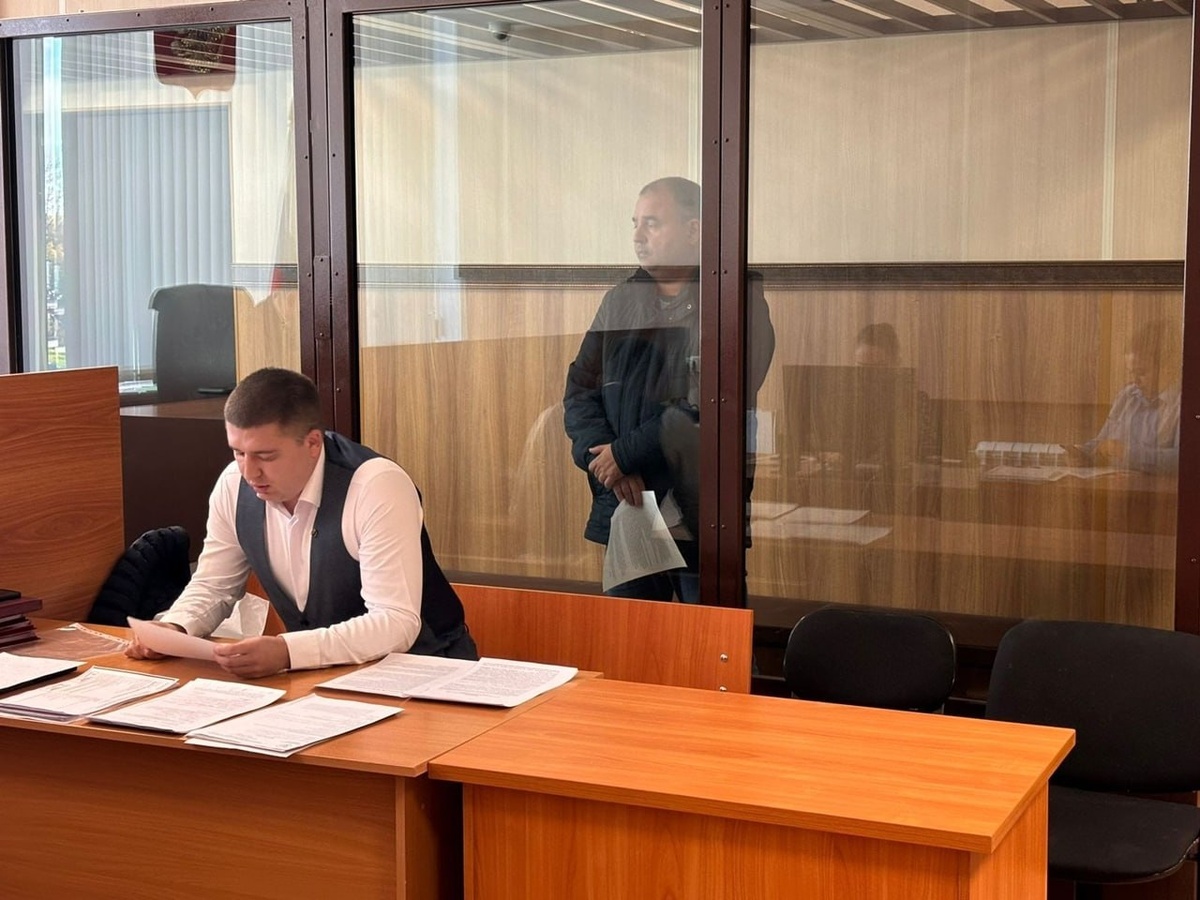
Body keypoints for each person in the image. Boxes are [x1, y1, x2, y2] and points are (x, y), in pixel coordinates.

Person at [126, 367, 476, 677]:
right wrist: (176, 627)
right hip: (320, 680)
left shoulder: (375, 485)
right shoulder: (233, 484)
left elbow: (395, 622)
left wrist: (288, 651)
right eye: (238, 452)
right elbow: (214, 585)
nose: (249, 472)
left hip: (427, 673)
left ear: (312, 443)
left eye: (266, 456)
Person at [563, 177, 775, 602]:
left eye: (653, 223)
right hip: (628, 503)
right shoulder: (620, 301)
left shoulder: (734, 302)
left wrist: (625, 455)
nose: (638, 237)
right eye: (635, 223)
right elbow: (579, 390)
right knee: (631, 636)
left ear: (695, 230)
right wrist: (605, 459)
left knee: (708, 638)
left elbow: (710, 404)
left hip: (700, 512)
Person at [1078, 319, 1181, 475]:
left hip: (1159, 489)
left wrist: (1126, 453)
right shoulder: (1126, 396)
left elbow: (1182, 459)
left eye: (1141, 373)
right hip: (1118, 485)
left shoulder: (1185, 404)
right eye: (1131, 372)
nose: (1135, 380)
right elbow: (1102, 441)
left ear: (1167, 368)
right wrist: (1083, 452)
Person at [854, 322, 940, 463]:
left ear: (896, 363)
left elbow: (926, 448)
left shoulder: (915, 400)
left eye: (877, 367)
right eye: (862, 367)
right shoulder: (845, 400)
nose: (868, 375)